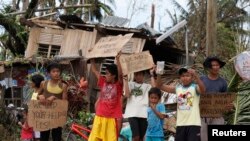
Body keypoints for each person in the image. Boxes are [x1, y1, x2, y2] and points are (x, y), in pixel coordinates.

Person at [154, 67, 205, 141]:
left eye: (187, 76)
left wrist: (197, 77)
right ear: (180, 77)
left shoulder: (195, 88)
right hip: (180, 124)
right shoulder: (177, 88)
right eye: (183, 76)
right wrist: (158, 73)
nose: (185, 78)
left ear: (192, 77)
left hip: (194, 124)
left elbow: (203, 90)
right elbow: (159, 86)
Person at [88, 56, 123, 141]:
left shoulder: (118, 85)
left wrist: (118, 59)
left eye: (107, 73)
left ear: (114, 75)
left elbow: (120, 74)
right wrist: (92, 59)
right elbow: (94, 70)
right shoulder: (103, 82)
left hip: (111, 118)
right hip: (99, 116)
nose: (105, 75)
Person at [200, 56, 232, 141]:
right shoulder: (202, 79)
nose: (215, 67)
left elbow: (225, 100)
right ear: (209, 67)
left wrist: (227, 106)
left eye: (217, 65)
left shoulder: (223, 82)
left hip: (217, 116)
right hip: (203, 116)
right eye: (213, 65)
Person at [38, 62, 68, 141]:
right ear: (49, 73)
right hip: (44, 115)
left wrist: (54, 98)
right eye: (53, 71)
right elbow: (35, 96)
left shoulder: (63, 86)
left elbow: (64, 104)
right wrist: (39, 96)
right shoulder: (43, 83)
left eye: (58, 71)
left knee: (57, 137)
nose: (56, 73)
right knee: (43, 137)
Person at [123, 71, 152, 141]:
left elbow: (155, 89)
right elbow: (126, 95)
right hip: (132, 113)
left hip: (144, 114)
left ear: (143, 75)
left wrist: (152, 74)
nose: (137, 76)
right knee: (136, 136)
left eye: (139, 74)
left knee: (141, 138)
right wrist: (125, 80)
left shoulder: (148, 86)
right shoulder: (130, 84)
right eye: (136, 74)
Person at [30, 74, 44, 141]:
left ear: (36, 82)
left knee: (38, 137)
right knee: (35, 136)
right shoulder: (35, 91)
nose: (30, 83)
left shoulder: (41, 92)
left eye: (32, 81)